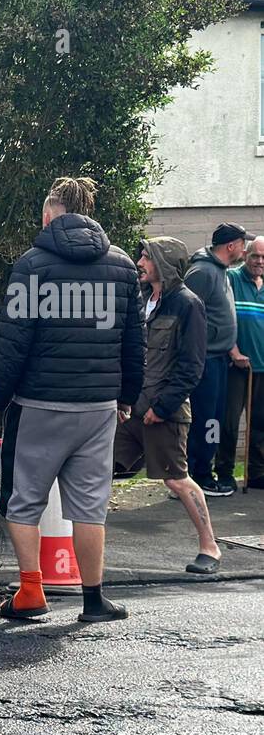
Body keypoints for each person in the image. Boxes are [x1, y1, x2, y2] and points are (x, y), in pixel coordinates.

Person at [0, 176, 143, 622]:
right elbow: (134, 341)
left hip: (41, 404)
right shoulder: (124, 266)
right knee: (90, 505)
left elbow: (13, 343)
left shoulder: (32, 265)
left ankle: (31, 594)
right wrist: (127, 397)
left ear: (51, 214)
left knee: (24, 500)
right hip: (100, 407)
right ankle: (94, 600)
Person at [113, 237, 222, 573]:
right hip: (132, 408)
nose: (139, 262)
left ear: (164, 263)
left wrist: (161, 408)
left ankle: (210, 547)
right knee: (97, 469)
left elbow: (192, 367)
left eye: (146, 257)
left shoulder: (188, 304)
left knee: (176, 479)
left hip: (165, 413)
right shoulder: (143, 299)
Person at [183, 223, 244, 496]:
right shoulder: (203, 272)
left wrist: (231, 348)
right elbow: (188, 314)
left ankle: (204, 472)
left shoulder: (222, 272)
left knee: (214, 420)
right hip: (204, 361)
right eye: (243, 243)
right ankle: (198, 476)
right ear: (231, 245)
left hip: (220, 358)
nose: (244, 248)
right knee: (206, 419)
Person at [220, 234, 264, 489]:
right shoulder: (232, 279)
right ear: (246, 255)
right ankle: (224, 472)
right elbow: (223, 318)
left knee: (260, 424)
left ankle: (257, 474)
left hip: (262, 368)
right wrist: (233, 351)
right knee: (229, 422)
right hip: (236, 366)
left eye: (263, 257)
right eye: (255, 255)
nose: (259, 261)